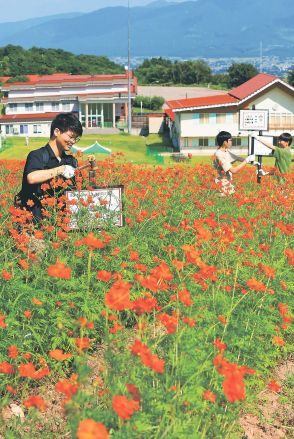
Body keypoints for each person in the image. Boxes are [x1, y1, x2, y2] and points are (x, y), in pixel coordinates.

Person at [18, 112, 83, 223]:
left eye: (75, 139)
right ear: (57, 131)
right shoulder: (37, 155)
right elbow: (32, 177)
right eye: (71, 137)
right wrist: (60, 169)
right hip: (35, 225)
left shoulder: (71, 161)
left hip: (61, 226)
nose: (72, 142)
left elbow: (78, 190)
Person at [213, 131, 258, 196]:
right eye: (230, 140)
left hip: (227, 183)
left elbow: (238, 158)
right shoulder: (219, 154)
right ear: (225, 142)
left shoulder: (226, 151)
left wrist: (252, 162)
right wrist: (246, 160)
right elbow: (233, 170)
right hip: (222, 185)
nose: (231, 142)